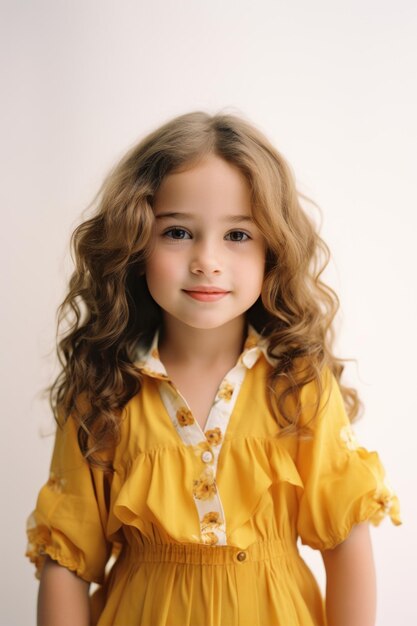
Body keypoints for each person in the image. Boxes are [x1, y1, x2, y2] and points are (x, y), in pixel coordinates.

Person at [26, 111, 401, 626]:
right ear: (136, 244)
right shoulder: (104, 391)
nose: (207, 259)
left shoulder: (299, 386)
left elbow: (346, 544)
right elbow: (66, 562)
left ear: (275, 250)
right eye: (178, 232)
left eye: (238, 236)